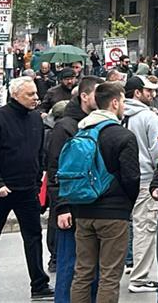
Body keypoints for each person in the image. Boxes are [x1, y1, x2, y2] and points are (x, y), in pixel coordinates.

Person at [0, 76, 54, 301]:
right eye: (30, 94)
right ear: (15, 94)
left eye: (36, 94)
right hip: (1, 190)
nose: (35, 98)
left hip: (27, 189)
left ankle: (39, 284)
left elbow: (39, 152)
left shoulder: (37, 120)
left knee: (33, 237)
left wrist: (37, 180)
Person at [69, 82, 140, 302]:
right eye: (123, 102)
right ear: (115, 102)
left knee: (82, 272)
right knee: (109, 275)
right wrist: (127, 204)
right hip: (114, 213)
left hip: (83, 208)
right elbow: (131, 178)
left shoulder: (81, 130)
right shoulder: (123, 136)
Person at [48, 75, 101, 303]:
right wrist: (62, 207)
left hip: (92, 206)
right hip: (71, 207)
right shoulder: (66, 127)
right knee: (69, 265)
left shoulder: (95, 123)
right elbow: (55, 170)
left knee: (91, 267)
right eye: (97, 94)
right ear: (85, 96)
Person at [117, 76, 158, 294]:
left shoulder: (116, 114)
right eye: (149, 91)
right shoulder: (148, 117)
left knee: (120, 227)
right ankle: (139, 276)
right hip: (145, 178)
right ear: (137, 92)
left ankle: (126, 267)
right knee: (145, 226)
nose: (152, 95)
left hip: (118, 178)